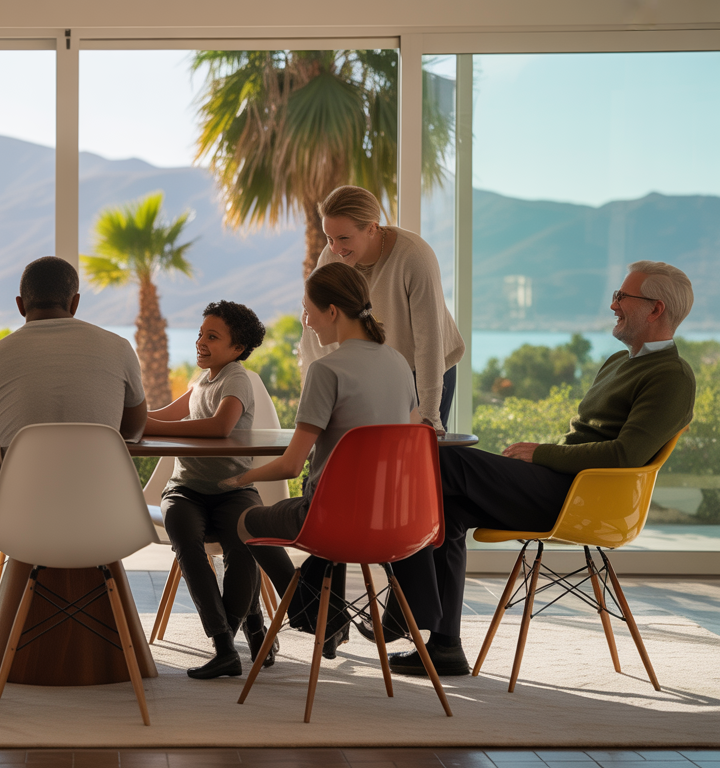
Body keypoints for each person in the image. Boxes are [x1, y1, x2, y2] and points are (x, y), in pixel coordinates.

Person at [383, 261, 696, 677]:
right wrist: (544, 459)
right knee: (447, 507)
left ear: (655, 309)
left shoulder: (671, 376)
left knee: (439, 458)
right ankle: (445, 646)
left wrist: (542, 454)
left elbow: (625, 456)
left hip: (580, 497)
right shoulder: (618, 363)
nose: (613, 304)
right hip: (556, 485)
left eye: (622, 297)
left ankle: (403, 611)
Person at [227, 263, 417, 662]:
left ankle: (312, 615)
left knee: (242, 521)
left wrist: (240, 478)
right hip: (394, 519)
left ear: (332, 312)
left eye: (308, 309)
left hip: (329, 519)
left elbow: (290, 466)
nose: (305, 320)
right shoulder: (399, 363)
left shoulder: (326, 370)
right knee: (324, 521)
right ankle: (324, 617)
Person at [0, 256, 148, 536]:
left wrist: (20, 502)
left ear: (20, 305)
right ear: (75, 303)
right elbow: (133, 430)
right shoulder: (120, 348)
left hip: (22, 518)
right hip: (103, 510)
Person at [144, 301, 273, 680]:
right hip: (185, 490)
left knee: (243, 544)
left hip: (233, 489)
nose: (200, 342)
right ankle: (235, 639)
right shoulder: (202, 381)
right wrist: (127, 417)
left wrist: (154, 428)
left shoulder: (236, 378)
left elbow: (220, 427)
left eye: (212, 337)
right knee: (186, 541)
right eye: (200, 334)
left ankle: (231, 637)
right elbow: (163, 417)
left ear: (237, 348)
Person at [299, 186, 463, 432]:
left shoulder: (414, 256)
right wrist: (319, 391)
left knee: (421, 453)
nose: (334, 248)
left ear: (372, 228)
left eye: (344, 238)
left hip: (428, 368)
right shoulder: (333, 256)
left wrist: (430, 418)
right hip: (380, 370)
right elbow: (314, 324)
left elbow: (428, 340)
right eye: (329, 238)